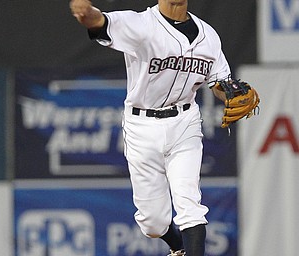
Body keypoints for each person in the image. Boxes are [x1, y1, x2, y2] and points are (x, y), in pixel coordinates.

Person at [70, 1, 230, 255]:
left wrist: (231, 94)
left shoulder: (208, 35)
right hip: (141, 125)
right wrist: (88, 14)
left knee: (189, 202)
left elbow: (220, 82)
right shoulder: (141, 24)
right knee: (153, 223)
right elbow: (101, 23)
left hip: (185, 122)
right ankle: (177, 246)